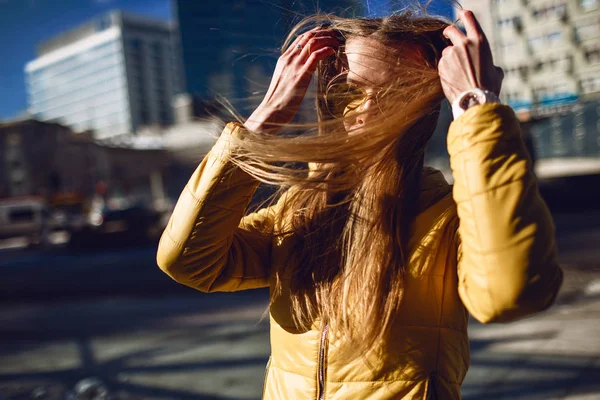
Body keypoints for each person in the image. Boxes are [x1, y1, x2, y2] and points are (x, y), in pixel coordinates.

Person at [157, 9, 563, 399]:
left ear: (427, 105)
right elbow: (190, 261)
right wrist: (260, 126)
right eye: (350, 91)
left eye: (395, 93)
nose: (367, 111)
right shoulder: (299, 210)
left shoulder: (450, 215)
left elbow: (511, 292)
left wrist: (476, 107)